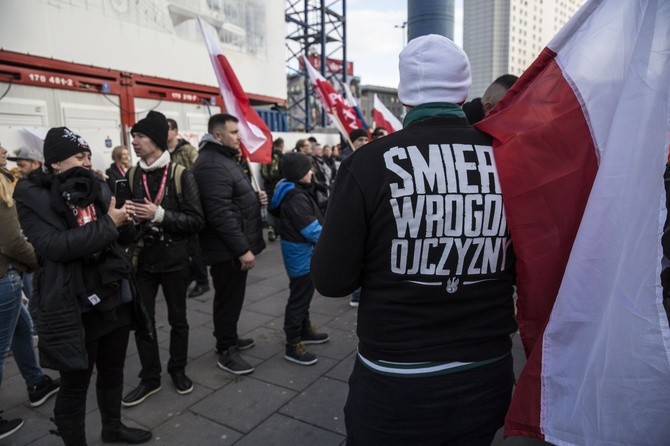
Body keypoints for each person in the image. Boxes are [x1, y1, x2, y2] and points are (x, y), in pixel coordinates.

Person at [311, 35, 517, 445]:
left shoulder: (365, 165)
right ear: (463, 92)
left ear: (405, 96)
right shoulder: (510, 159)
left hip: (396, 385)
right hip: (487, 375)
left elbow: (331, 281)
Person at [14, 127, 152, 444]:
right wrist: (109, 224)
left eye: (89, 156)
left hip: (113, 295)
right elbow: (54, 247)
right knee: (76, 384)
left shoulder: (96, 186)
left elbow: (119, 236)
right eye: (80, 156)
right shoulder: (31, 196)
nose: (88, 162)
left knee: (113, 371)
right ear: (56, 163)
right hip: (73, 307)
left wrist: (130, 220)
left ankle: (112, 427)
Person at [122, 111, 204, 407]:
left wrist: (160, 215)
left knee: (178, 319)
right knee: (143, 321)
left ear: (156, 140)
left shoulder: (181, 174)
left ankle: (178, 369)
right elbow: (126, 213)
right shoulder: (132, 174)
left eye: (140, 136)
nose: (134, 141)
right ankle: (150, 376)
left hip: (175, 260)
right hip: (142, 260)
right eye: (133, 136)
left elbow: (197, 221)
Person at [192, 113, 266, 375]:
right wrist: (242, 250)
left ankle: (229, 337)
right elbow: (220, 213)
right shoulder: (212, 164)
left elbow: (231, 198)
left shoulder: (222, 159)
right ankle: (226, 350)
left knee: (232, 298)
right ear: (219, 135)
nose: (239, 137)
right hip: (226, 250)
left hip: (229, 247)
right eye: (234, 132)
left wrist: (253, 198)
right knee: (228, 300)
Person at [0, 145, 60, 441]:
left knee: (22, 330)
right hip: (3, 277)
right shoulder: (1, 186)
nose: (3, 149)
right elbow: (12, 241)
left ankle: (37, 383)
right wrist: (38, 260)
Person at [269, 152, 329, 366]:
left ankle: (304, 330)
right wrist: (333, 240)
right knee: (299, 298)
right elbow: (311, 230)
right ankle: (293, 344)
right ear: (297, 173)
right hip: (301, 254)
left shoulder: (291, 189)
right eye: (307, 169)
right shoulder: (295, 196)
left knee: (302, 294)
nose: (311, 172)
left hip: (299, 251)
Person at [166, 118, 209, 298]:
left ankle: (202, 281)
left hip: (189, 204)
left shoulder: (188, 151)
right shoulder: (163, 153)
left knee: (194, 244)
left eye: (167, 129)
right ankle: (192, 273)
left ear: (175, 131)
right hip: (172, 205)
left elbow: (199, 176)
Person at [261, 138, 285, 242]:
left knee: (270, 208)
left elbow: (263, 173)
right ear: (282, 145)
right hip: (279, 186)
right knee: (279, 207)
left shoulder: (266, 156)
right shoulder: (282, 157)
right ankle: (279, 231)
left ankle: (271, 228)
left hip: (268, 186)